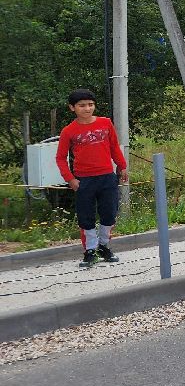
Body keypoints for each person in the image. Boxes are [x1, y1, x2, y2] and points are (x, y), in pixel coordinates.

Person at [54, 88, 128, 267]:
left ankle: (104, 246)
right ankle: (90, 251)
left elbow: (114, 147)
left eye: (90, 104)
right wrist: (70, 179)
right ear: (72, 107)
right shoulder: (68, 131)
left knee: (109, 213)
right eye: (82, 105)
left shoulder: (105, 123)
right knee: (86, 216)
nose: (87, 109)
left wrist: (122, 166)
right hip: (84, 180)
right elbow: (61, 157)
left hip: (107, 177)